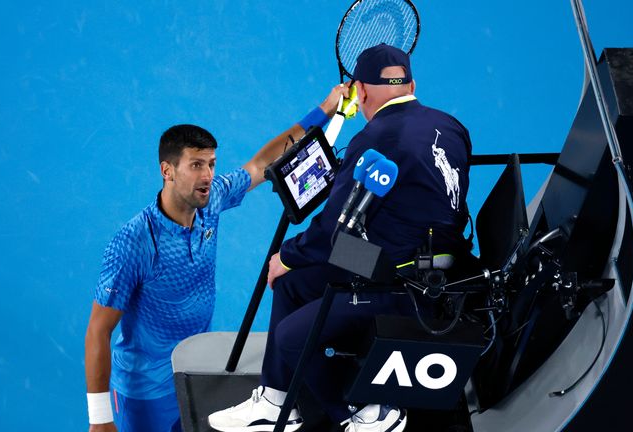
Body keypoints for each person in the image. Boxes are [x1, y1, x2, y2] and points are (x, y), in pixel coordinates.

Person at [208, 43, 473, 432]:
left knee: (290, 334)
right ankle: (275, 400)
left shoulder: (374, 138)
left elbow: (333, 231)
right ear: (411, 83)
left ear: (361, 92)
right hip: (432, 262)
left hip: (398, 276)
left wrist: (288, 254)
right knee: (294, 285)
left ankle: (368, 411)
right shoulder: (452, 126)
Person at [84, 85, 349, 432]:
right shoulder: (134, 242)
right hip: (145, 392)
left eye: (211, 164)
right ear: (167, 171)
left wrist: (326, 109)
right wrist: (100, 418)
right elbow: (98, 330)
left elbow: (261, 162)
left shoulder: (211, 202)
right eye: (196, 165)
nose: (208, 176)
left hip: (193, 368)